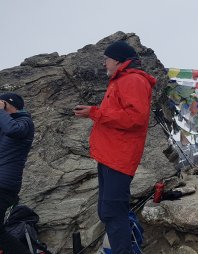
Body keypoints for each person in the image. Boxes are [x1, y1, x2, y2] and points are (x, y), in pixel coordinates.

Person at [74, 41, 156, 254]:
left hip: (119, 157)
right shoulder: (120, 81)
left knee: (113, 211)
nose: (104, 63)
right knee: (107, 211)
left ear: (118, 59)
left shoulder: (133, 80)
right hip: (110, 156)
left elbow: (135, 118)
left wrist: (95, 112)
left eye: (106, 58)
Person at [0, 93, 35, 254]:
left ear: (6, 104)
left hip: (5, 185)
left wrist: (1, 112)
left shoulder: (24, 122)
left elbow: (13, 130)